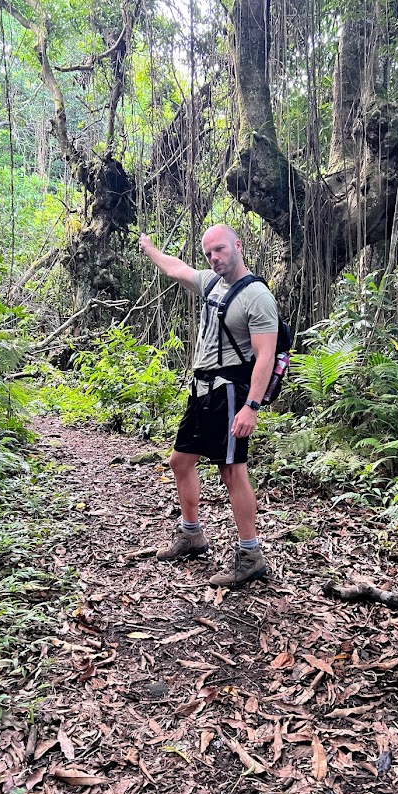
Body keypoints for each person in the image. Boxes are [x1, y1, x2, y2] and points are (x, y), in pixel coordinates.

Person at [139, 224, 278, 586]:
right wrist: (150, 248)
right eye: (208, 254)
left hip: (232, 393)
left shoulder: (257, 296)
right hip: (202, 389)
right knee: (180, 461)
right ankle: (192, 534)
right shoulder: (211, 283)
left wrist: (252, 406)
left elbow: (264, 357)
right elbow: (175, 268)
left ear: (238, 245)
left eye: (220, 250)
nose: (214, 258)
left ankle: (250, 555)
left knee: (232, 470)